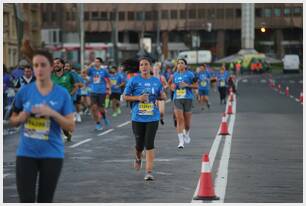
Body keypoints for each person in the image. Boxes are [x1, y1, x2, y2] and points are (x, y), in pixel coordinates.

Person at [9, 49, 75, 202]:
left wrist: (52, 113)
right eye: (35, 65)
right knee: (26, 200)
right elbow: (11, 120)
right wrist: (21, 117)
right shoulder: (24, 92)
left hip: (52, 154)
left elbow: (71, 126)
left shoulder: (62, 93)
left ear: (51, 67)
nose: (39, 69)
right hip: (26, 153)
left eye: (43, 65)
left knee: (45, 200)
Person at [123, 56, 166, 181]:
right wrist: (138, 98)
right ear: (139, 68)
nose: (144, 67)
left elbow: (162, 95)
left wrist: (162, 96)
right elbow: (125, 97)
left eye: (146, 64)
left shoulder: (156, 81)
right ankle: (138, 157)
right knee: (139, 145)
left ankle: (148, 171)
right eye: (141, 65)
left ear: (150, 67)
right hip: (138, 117)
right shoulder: (133, 81)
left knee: (149, 143)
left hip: (153, 117)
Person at [169, 58, 198, 149]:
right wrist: (172, 87)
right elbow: (171, 85)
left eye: (182, 63)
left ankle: (187, 133)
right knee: (179, 119)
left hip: (188, 98)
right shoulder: (174, 75)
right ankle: (181, 141)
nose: (180, 64)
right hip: (177, 98)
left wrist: (187, 85)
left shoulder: (190, 74)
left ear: (185, 65)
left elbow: (196, 86)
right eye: (178, 63)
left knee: (187, 124)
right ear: (177, 66)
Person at [87, 57, 111, 130]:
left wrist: (108, 89)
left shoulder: (104, 71)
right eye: (95, 61)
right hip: (93, 91)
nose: (96, 63)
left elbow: (108, 80)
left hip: (102, 91)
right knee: (94, 108)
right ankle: (98, 124)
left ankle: (104, 117)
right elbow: (85, 72)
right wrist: (89, 66)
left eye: (97, 62)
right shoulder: (91, 70)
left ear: (100, 63)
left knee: (101, 108)